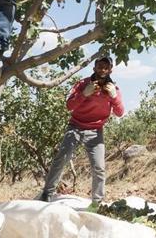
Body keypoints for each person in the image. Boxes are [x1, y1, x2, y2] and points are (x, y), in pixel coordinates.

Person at [39, 56, 124, 208]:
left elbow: (119, 112)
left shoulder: (113, 89)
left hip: (95, 131)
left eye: (106, 67)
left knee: (99, 167)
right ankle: (47, 193)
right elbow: (69, 106)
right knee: (61, 159)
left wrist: (114, 97)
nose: (102, 70)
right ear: (94, 68)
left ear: (110, 70)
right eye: (99, 66)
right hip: (75, 127)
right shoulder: (82, 84)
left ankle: (97, 204)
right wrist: (85, 93)